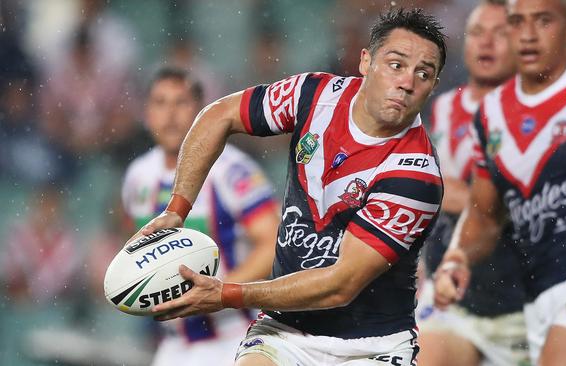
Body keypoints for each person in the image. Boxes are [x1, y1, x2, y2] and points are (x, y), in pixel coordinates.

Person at [135, 9, 447, 366]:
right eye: (396, 65)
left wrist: (227, 294)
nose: (407, 82)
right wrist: (177, 210)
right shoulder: (312, 96)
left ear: (433, 85)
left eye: (423, 73)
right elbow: (218, 115)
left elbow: (340, 285)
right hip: (286, 332)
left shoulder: (416, 174)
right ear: (365, 62)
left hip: (369, 345)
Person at [434, 0, 566, 365]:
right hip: (535, 301)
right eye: (517, 23)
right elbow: (485, 219)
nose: (529, 35)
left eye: (543, 21)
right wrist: (458, 257)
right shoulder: (490, 116)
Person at [121, 67, 280, 366]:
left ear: (200, 111)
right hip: (173, 345)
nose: (170, 114)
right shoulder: (136, 177)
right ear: (146, 113)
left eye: (180, 102)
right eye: (160, 102)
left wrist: (220, 293)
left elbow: (273, 242)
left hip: (234, 336)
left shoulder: (233, 170)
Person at [415, 1, 528, 365]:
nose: (487, 43)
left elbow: (509, 206)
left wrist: (435, 186)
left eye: (500, 34)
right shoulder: (445, 106)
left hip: (522, 296)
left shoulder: (538, 112)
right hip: (453, 291)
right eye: (478, 33)